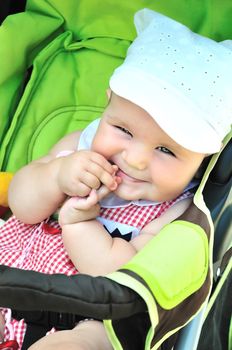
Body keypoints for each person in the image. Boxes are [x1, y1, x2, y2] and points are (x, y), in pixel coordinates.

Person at [0, 8, 231, 350]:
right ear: (107, 103)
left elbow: (117, 277)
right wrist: (55, 176)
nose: (135, 159)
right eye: (123, 129)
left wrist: (79, 225)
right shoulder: (77, 147)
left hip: (89, 316)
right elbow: (21, 205)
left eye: (166, 151)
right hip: (11, 277)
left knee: (92, 341)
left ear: (203, 160)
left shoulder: (176, 213)